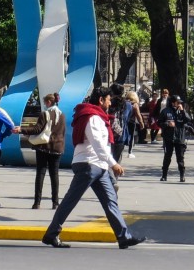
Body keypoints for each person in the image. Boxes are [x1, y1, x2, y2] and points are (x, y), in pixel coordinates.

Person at [40, 87, 146, 250]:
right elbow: (98, 144)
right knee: (71, 201)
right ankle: (51, 234)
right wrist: (114, 163)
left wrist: (108, 164)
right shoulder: (92, 117)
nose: (110, 102)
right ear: (101, 100)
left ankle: (123, 237)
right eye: (108, 99)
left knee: (111, 201)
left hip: (98, 165)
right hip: (88, 164)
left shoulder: (98, 116)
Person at [20, 92, 64, 208]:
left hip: (44, 147)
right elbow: (62, 133)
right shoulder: (62, 115)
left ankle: (37, 202)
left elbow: (37, 129)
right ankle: (55, 202)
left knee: (40, 174)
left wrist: (21, 129)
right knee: (55, 175)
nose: (44, 104)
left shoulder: (45, 114)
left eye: (45, 102)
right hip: (57, 148)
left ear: (49, 102)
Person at [159, 96, 194, 182]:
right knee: (167, 156)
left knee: (180, 157)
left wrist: (183, 111)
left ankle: (182, 175)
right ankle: (164, 175)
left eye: (180, 102)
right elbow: (160, 122)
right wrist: (167, 124)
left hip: (179, 137)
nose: (179, 104)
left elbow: (188, 119)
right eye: (177, 102)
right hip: (169, 137)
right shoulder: (166, 111)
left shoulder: (182, 111)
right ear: (173, 102)